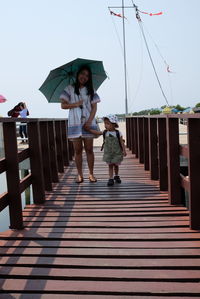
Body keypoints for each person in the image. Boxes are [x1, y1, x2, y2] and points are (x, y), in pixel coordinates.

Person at [60, 66, 101, 183]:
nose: (84, 77)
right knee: (77, 151)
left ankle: (91, 174)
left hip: (88, 121)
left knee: (89, 149)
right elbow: (63, 105)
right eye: (82, 74)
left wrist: (89, 121)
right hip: (74, 122)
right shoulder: (69, 88)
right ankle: (79, 174)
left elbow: (94, 107)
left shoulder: (91, 89)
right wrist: (76, 104)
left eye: (87, 75)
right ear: (78, 74)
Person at [87, 114, 127, 186]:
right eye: (105, 123)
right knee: (110, 165)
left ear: (114, 124)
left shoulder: (118, 133)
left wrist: (124, 150)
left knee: (116, 165)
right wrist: (89, 130)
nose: (105, 125)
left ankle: (116, 175)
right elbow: (97, 133)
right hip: (108, 153)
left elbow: (122, 142)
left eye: (108, 124)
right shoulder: (105, 132)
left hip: (117, 152)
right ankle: (110, 178)